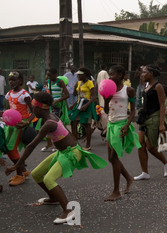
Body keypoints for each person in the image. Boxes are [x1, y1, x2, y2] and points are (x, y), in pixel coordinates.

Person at [4, 91, 107, 224]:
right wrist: (26, 123)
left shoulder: (49, 123)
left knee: (49, 179)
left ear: (39, 108)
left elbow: (31, 146)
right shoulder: (46, 115)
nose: (32, 109)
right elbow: (35, 115)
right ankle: (53, 198)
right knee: (37, 174)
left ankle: (69, 210)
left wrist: (16, 166)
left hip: (71, 153)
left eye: (34, 107)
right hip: (62, 152)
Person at [103, 65, 141, 201]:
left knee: (113, 157)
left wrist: (127, 125)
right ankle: (129, 178)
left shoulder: (128, 90)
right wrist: (107, 99)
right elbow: (106, 111)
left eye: (111, 74)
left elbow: (132, 111)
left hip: (121, 125)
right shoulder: (108, 89)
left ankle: (116, 191)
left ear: (120, 74)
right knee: (111, 158)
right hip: (110, 125)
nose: (109, 77)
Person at [134, 65, 167, 180]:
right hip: (144, 117)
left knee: (151, 147)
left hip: (154, 117)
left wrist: (162, 124)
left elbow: (162, 105)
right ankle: (145, 172)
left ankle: (166, 162)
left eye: (144, 72)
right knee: (140, 145)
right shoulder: (146, 86)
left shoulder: (158, 86)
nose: (142, 75)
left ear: (151, 74)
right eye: (142, 73)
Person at [1, 71, 34, 186]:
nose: (11, 82)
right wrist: (3, 114)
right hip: (10, 125)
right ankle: (24, 171)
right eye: (9, 80)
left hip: (20, 126)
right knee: (7, 148)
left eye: (14, 80)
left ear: (20, 81)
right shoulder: (9, 93)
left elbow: (34, 111)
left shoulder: (24, 95)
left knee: (11, 149)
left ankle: (20, 175)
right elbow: (11, 110)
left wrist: (27, 122)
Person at [68, 67, 97, 150]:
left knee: (86, 124)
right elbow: (76, 95)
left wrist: (86, 105)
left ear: (85, 75)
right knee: (73, 122)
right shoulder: (79, 83)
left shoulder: (90, 83)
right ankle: (75, 143)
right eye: (78, 75)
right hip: (79, 104)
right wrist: (74, 104)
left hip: (86, 106)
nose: (78, 76)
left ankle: (88, 145)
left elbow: (94, 97)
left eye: (80, 75)